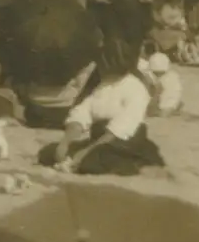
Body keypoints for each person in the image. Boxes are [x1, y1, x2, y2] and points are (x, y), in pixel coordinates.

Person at [37, 44, 165, 175]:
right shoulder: (104, 84)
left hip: (123, 142)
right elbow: (84, 111)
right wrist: (66, 141)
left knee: (90, 161)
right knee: (49, 152)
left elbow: (120, 129)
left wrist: (86, 151)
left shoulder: (136, 88)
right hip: (99, 138)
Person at [140, 51, 184, 116]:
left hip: (164, 104)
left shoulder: (160, 80)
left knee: (151, 111)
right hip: (173, 100)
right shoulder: (173, 75)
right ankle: (173, 108)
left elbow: (157, 92)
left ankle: (168, 110)